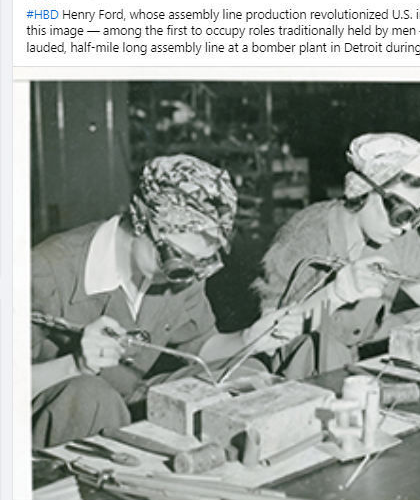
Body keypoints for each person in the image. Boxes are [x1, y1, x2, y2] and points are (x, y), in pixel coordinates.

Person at [31, 154, 305, 448]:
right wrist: (75, 364)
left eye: (202, 263)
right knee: (92, 398)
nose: (187, 276)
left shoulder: (179, 272)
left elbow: (198, 346)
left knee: (246, 374)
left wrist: (248, 337)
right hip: (60, 414)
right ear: (139, 221)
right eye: (179, 259)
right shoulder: (45, 270)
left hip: (125, 398)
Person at [253, 133, 420, 378]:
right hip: (314, 347)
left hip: (367, 335)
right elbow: (268, 334)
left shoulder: (400, 235)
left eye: (416, 216)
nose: (406, 227)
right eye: (401, 213)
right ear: (362, 190)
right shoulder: (306, 234)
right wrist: (335, 294)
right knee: (329, 348)